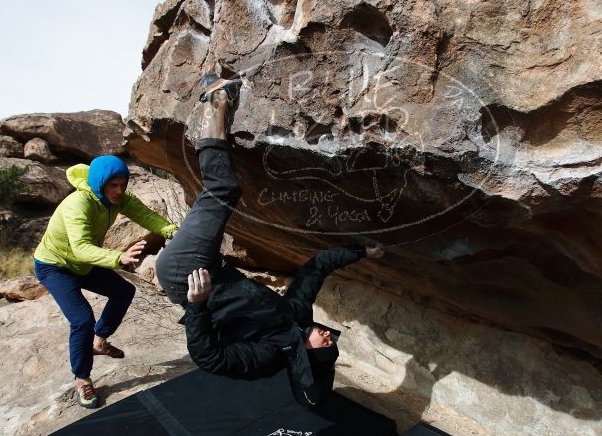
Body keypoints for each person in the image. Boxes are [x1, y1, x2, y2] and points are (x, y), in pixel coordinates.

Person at [155, 76, 384, 406]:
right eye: (331, 339)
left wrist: (197, 305)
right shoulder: (296, 314)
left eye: (326, 345)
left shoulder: (268, 355)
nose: (328, 336)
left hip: (186, 274)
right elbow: (317, 268)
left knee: (222, 190)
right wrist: (362, 251)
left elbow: (210, 359)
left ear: (309, 356)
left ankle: (216, 99)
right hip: (210, 266)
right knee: (223, 194)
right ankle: (213, 95)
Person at [34, 155, 178, 409]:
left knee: (123, 291)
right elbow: (80, 248)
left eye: (123, 185)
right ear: (100, 184)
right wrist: (118, 257)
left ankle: (99, 341)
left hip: (83, 265)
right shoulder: (78, 203)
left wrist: (172, 231)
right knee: (82, 320)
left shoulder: (118, 199)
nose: (119, 191)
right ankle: (82, 378)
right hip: (55, 267)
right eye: (113, 185)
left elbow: (146, 216)